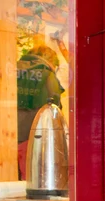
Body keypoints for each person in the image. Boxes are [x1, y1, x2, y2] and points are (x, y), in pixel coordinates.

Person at [17, 45, 65, 179]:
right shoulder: (47, 75)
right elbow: (53, 112)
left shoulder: (12, 68)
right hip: (33, 137)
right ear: (53, 62)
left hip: (7, 135)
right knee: (32, 179)